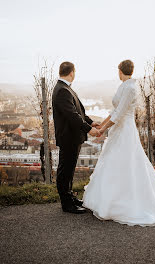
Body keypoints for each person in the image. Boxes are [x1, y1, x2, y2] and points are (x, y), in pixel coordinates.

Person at [82, 59, 155, 226]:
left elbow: (120, 113)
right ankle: (107, 198)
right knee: (113, 161)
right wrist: (101, 125)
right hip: (118, 129)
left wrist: (102, 130)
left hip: (125, 131)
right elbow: (114, 111)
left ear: (120, 70)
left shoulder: (130, 88)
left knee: (127, 162)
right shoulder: (123, 86)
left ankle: (126, 201)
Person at [52, 61, 100, 214]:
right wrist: (89, 129)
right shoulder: (62, 90)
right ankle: (66, 204)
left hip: (72, 137)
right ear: (72, 72)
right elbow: (72, 116)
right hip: (68, 137)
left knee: (69, 169)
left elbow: (79, 113)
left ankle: (70, 197)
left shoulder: (65, 88)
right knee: (65, 170)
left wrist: (92, 122)